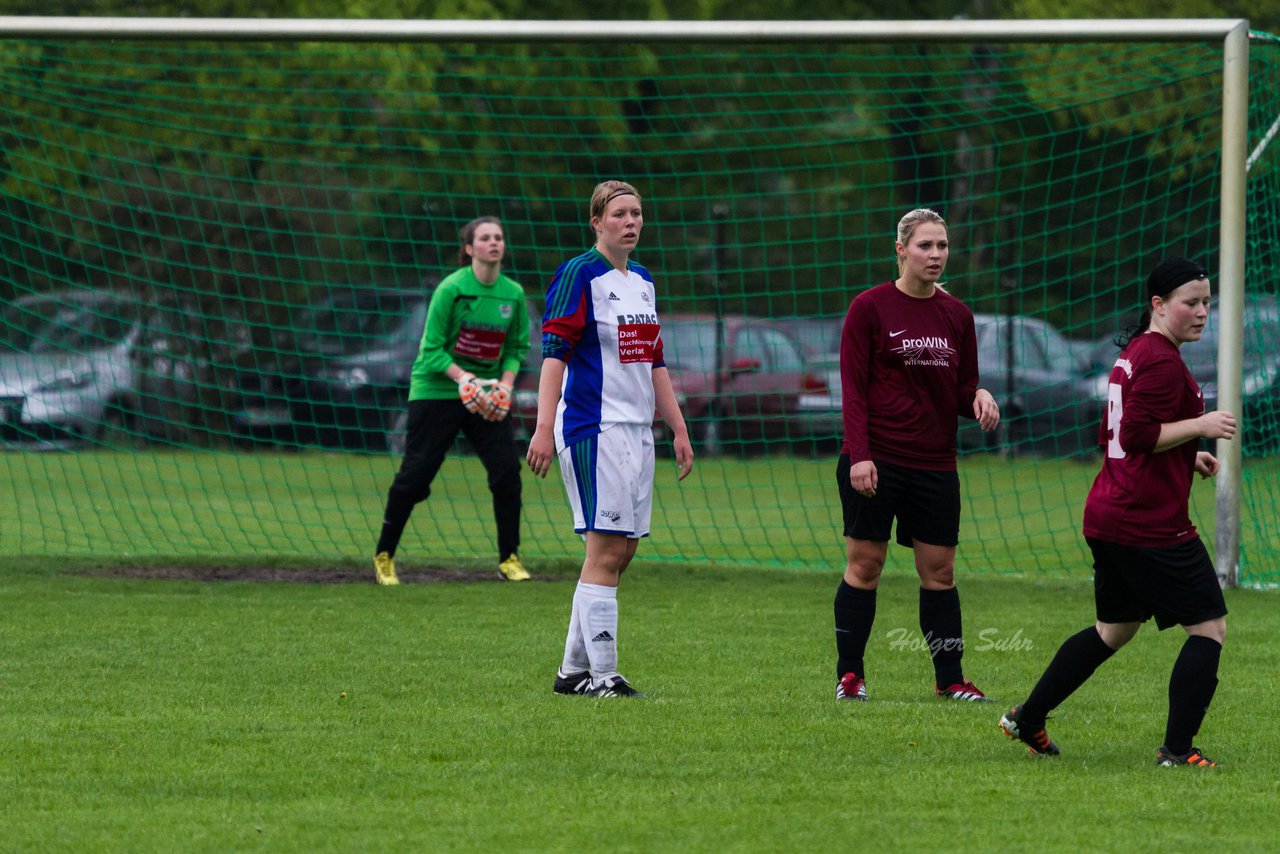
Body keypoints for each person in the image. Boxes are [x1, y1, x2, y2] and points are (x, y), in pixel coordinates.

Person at [999, 256, 1236, 767]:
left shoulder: (1141, 352)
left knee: (1114, 630)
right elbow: (1136, 435)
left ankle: (1028, 717)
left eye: (1206, 303)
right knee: (1209, 628)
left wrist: (1185, 453)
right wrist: (1201, 424)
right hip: (1147, 523)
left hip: (1111, 513)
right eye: (1190, 303)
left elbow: (1127, 434)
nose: (1200, 313)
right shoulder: (1159, 359)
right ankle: (1177, 751)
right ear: (1158, 304)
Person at [526, 180, 694, 698]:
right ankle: (604, 676)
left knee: (621, 553)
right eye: (619, 213)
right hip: (592, 429)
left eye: (637, 213)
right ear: (596, 221)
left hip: (637, 433)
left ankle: (571, 673)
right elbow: (554, 354)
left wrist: (678, 426)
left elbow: (654, 362)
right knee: (603, 549)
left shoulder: (642, 280)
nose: (631, 222)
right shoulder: (581, 273)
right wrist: (542, 427)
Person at [833, 207, 1000, 703]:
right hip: (876, 460)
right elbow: (853, 391)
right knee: (866, 566)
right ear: (901, 249)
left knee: (940, 572)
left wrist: (979, 398)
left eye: (942, 246)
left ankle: (950, 680)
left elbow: (960, 387)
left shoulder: (957, 315)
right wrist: (860, 455)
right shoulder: (870, 307)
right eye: (925, 246)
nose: (935, 255)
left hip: (934, 464)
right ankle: (850, 676)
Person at [373, 216, 531, 585]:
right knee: (415, 477)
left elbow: (517, 348)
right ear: (469, 248)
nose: (494, 243)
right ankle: (384, 555)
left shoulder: (513, 293)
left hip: (486, 395)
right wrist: (464, 379)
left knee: (507, 472)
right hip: (438, 390)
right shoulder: (451, 289)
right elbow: (430, 351)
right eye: (485, 238)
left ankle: (509, 558)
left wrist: (505, 386)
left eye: (499, 237)